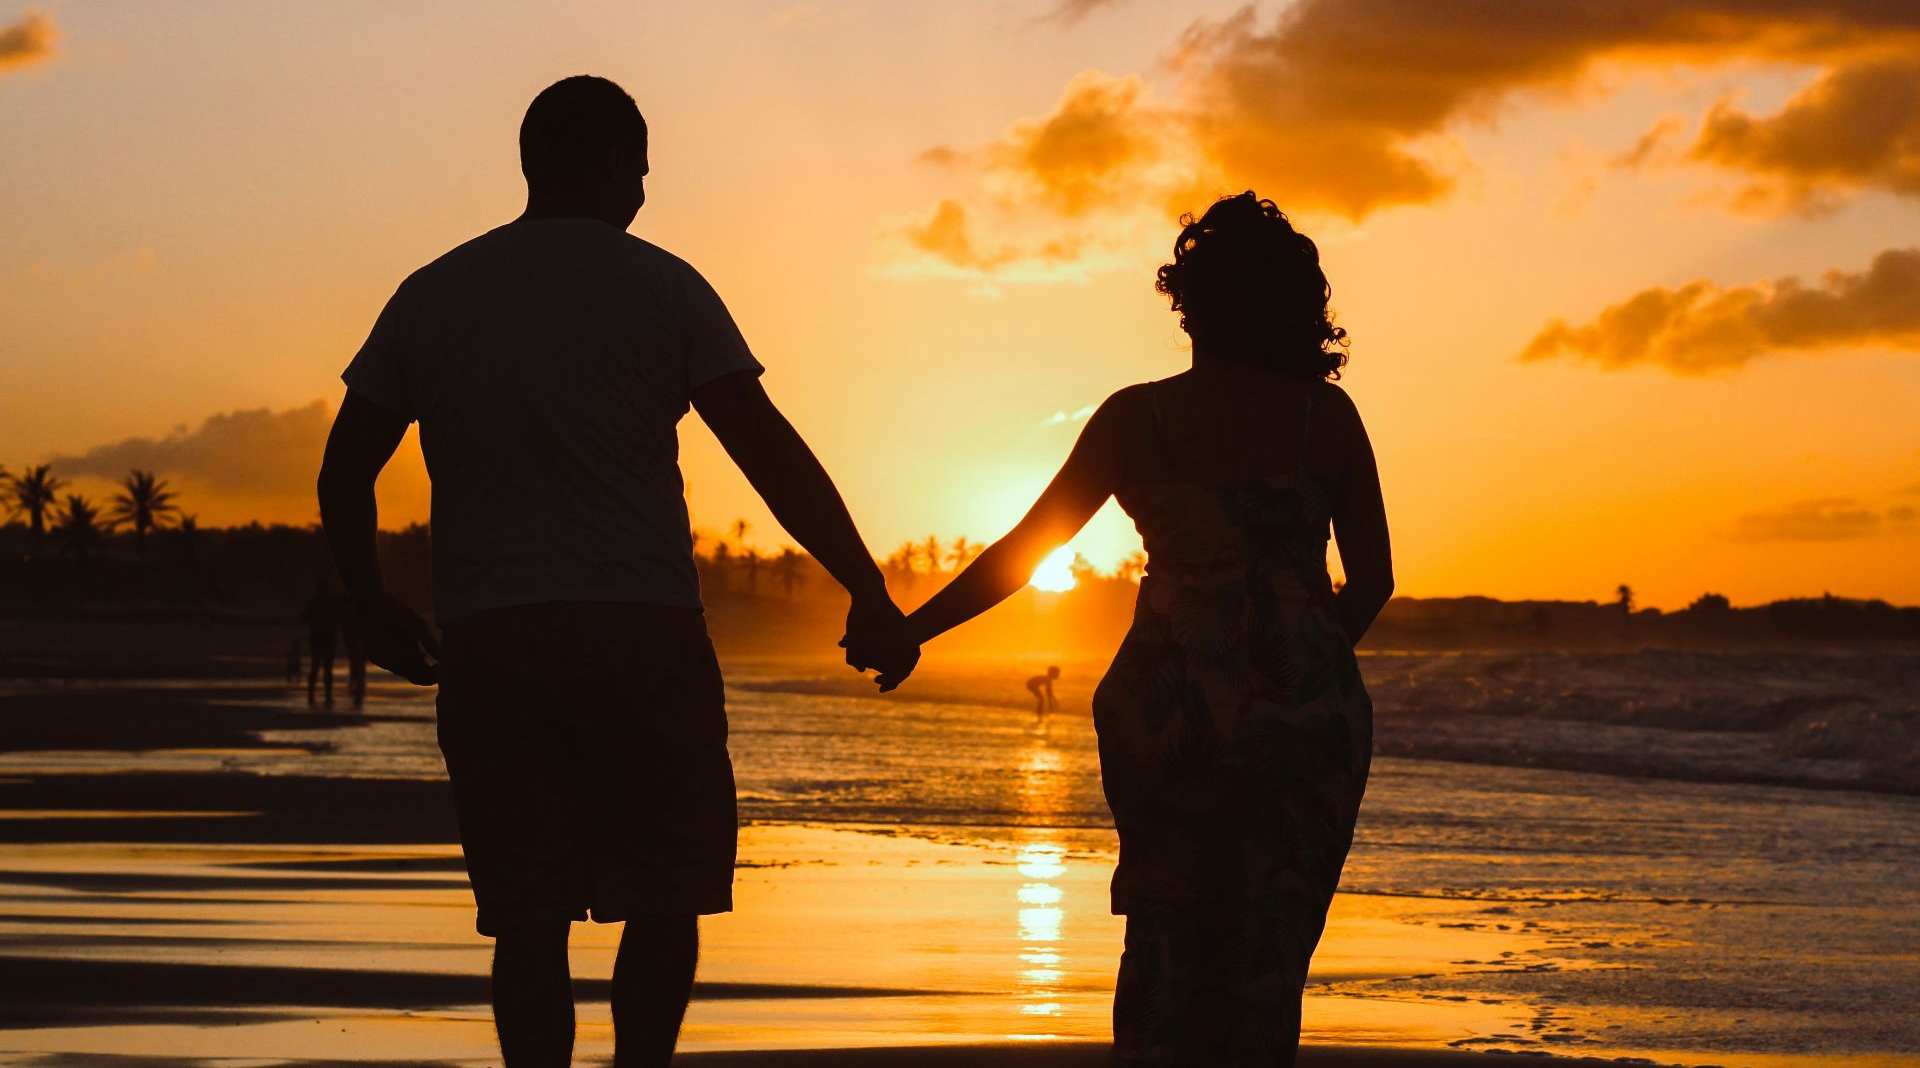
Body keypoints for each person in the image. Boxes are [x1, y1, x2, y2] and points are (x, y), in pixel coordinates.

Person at [317, 75, 916, 1068]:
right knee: (665, 893)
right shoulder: (666, 285)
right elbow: (766, 452)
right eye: (638, 163)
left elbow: (346, 466)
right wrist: (866, 585)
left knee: (528, 915)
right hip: (642, 630)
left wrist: (370, 602)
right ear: (607, 162)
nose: (644, 184)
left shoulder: (434, 292)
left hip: (493, 637)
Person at [847, 192, 1393, 1066]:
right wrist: (1299, 669)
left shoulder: (1138, 416)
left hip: (1167, 704)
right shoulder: (1326, 420)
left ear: (1191, 302)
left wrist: (913, 630)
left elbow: (1025, 553)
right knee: (1269, 951)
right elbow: (1374, 582)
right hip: (1307, 717)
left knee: (1169, 938)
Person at [301, 579, 338, 706]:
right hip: (326, 638)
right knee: (326, 668)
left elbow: (303, 618)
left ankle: (312, 694)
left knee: (316, 667)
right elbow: (340, 618)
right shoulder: (332, 603)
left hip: (318, 637)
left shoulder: (314, 602)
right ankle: (327, 695)